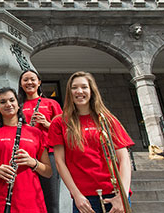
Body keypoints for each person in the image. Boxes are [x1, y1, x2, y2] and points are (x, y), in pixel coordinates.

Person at [48, 71, 134, 213]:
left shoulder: (107, 119)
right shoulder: (59, 122)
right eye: (74, 87)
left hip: (115, 194)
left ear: (92, 90)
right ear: (69, 92)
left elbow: (124, 158)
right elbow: (59, 162)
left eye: (84, 87)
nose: (79, 91)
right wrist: (76, 195)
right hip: (84, 198)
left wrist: (122, 195)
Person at [0, 87, 52, 213]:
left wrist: (32, 162)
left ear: (18, 105)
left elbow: (48, 171)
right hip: (1, 198)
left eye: (12, 100)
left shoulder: (35, 133)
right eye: (3, 102)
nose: (8, 104)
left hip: (31, 199)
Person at [18, 69, 63, 213]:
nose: (29, 82)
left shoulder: (51, 103)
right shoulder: (18, 106)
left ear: (39, 82)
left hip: (48, 154)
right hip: (25, 154)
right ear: (21, 84)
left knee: (51, 200)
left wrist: (47, 124)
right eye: (25, 80)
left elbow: (64, 131)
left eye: (32, 79)